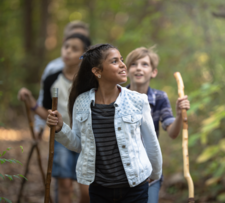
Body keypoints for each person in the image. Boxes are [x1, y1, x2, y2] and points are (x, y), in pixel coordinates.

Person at [46, 43, 163, 203]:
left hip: (135, 187)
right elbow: (79, 144)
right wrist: (60, 128)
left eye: (122, 60)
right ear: (97, 71)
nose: (123, 65)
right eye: (115, 61)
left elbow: (151, 142)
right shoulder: (82, 102)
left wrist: (155, 174)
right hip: (99, 189)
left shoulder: (137, 100)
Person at [18, 33, 91, 203]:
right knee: (64, 186)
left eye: (74, 49)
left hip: (88, 139)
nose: (68, 51)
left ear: (84, 54)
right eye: (66, 47)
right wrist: (31, 103)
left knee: (86, 191)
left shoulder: (90, 81)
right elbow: (46, 112)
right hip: (60, 137)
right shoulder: (52, 79)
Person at [125, 47, 190, 203]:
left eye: (145, 64)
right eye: (133, 64)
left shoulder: (160, 97)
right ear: (127, 71)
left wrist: (180, 114)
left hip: (150, 173)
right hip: (123, 172)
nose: (139, 67)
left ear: (153, 72)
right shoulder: (118, 96)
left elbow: (173, 133)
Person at [34, 20, 90, 133]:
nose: (69, 51)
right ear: (64, 41)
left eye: (82, 37)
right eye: (67, 45)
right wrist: (38, 127)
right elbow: (43, 101)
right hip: (61, 133)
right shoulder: (52, 69)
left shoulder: (92, 76)